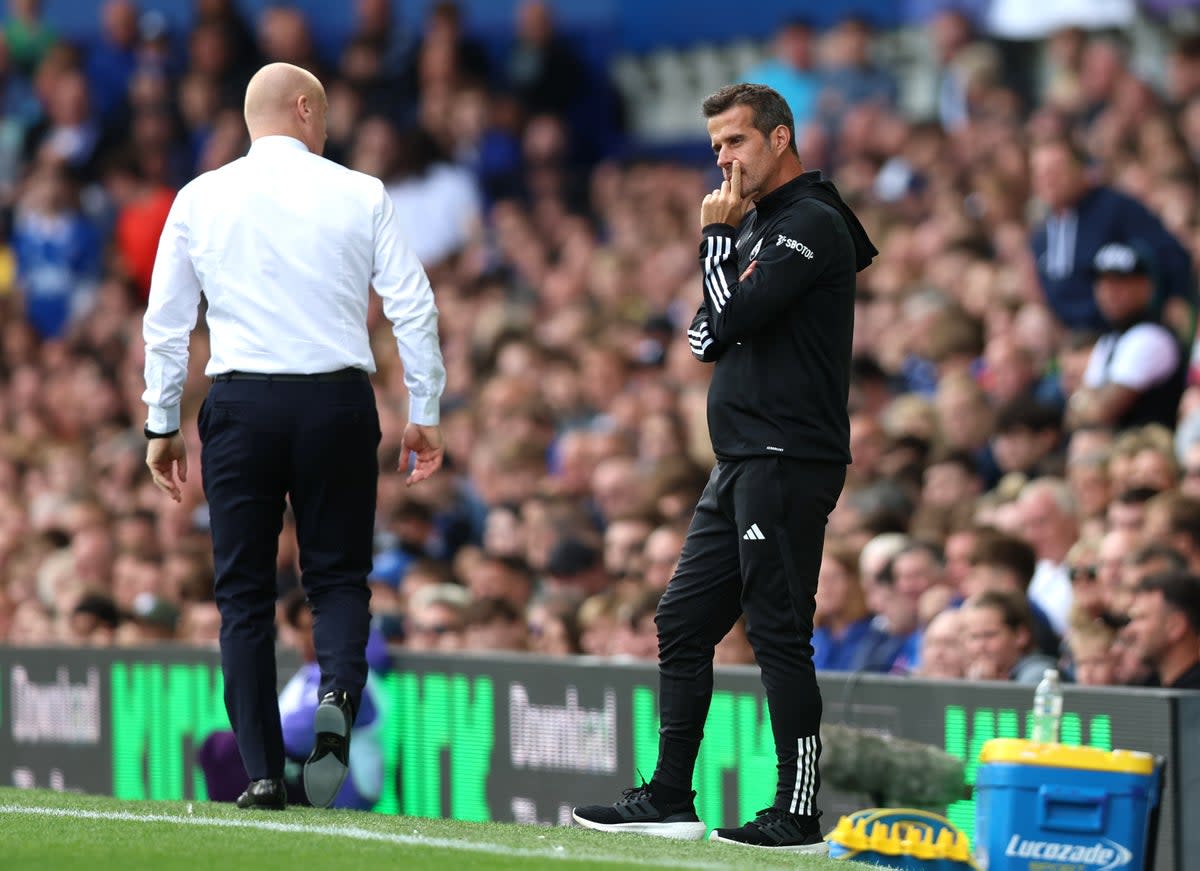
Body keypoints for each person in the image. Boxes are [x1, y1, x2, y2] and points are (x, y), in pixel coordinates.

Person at [572, 82, 876, 853]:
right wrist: (724, 256)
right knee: (681, 619)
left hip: (786, 455)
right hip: (740, 457)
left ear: (780, 138)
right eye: (715, 147)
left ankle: (797, 811)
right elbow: (703, 340)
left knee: (778, 629)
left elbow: (724, 318)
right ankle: (669, 794)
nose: (724, 161)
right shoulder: (759, 225)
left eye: (736, 142)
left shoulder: (810, 221)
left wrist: (714, 239)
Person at [142, 62, 446, 811]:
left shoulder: (199, 197)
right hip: (337, 401)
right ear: (305, 107)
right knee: (337, 574)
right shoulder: (360, 191)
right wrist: (425, 407)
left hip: (241, 404)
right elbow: (414, 304)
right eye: (328, 110)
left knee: (243, 594)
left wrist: (160, 422)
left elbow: (168, 322)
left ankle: (263, 772)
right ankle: (338, 685)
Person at [198, 590, 385, 809]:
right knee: (221, 745)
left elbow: (300, 734)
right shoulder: (308, 672)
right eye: (302, 628)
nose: (308, 637)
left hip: (346, 783)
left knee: (228, 747)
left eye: (316, 628)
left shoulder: (353, 677)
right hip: (306, 768)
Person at [1065, 242, 1186, 432]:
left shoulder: (1152, 337)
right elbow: (1071, 418)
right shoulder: (1110, 340)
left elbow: (1102, 411)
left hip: (1148, 449)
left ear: (1146, 286)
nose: (1108, 293)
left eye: (1119, 284)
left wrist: (1083, 400)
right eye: (1102, 283)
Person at [1123, 570, 1200, 689]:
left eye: (1141, 618)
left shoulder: (1192, 698)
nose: (1128, 631)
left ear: (1175, 626)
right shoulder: (1150, 685)